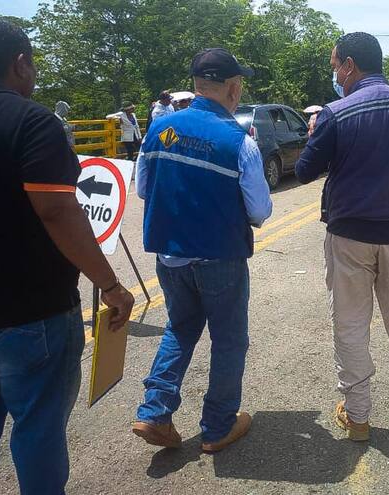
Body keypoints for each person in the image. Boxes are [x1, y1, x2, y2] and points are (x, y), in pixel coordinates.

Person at [0, 18, 134, 494]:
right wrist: (110, 284)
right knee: (38, 423)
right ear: (20, 63)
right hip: (31, 310)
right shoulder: (32, 121)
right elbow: (58, 211)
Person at [295, 32, 389, 442]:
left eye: (334, 67)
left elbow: (306, 171)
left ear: (349, 65)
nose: (335, 75)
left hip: (349, 236)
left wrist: (315, 133)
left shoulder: (334, 112)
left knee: (349, 323)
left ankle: (358, 417)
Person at [132, 48, 272, 454]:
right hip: (219, 258)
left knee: (180, 328)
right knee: (228, 340)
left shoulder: (159, 129)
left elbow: (144, 188)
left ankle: (154, 411)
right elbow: (260, 211)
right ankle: (217, 427)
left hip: (169, 257)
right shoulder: (238, 141)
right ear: (232, 87)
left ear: (196, 86)